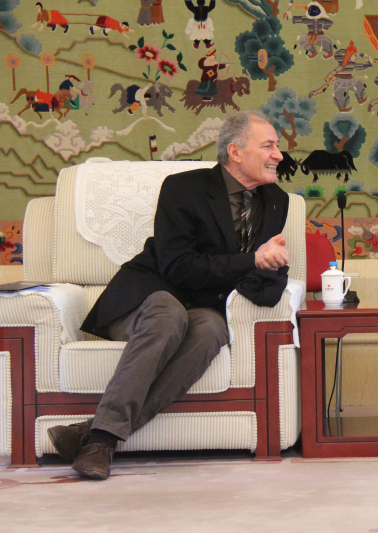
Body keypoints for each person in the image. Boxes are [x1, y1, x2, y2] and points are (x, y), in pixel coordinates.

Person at [46, 111, 290, 480]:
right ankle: (102, 443)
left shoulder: (275, 201)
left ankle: (94, 434)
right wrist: (252, 259)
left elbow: (265, 270)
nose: (278, 155)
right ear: (236, 151)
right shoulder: (183, 188)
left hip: (202, 308)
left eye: (277, 146)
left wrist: (269, 266)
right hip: (145, 296)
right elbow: (178, 267)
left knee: (213, 329)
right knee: (168, 313)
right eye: (268, 145)